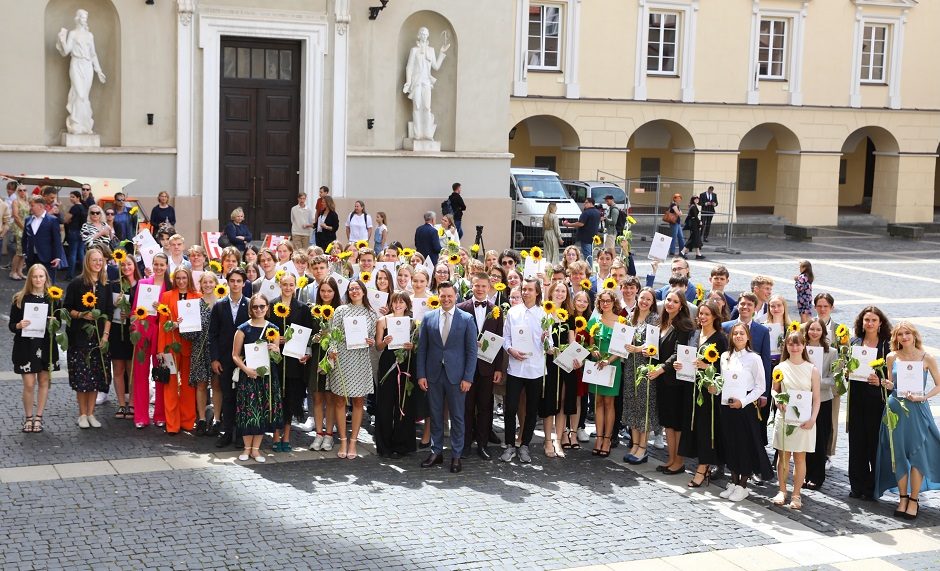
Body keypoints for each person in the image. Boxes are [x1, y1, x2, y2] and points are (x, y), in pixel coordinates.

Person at [874, 322, 940, 520]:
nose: (904, 337)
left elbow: (939, 385)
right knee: (899, 455)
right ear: (896, 338)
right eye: (900, 334)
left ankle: (914, 499)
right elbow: (891, 384)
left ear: (914, 335)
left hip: (918, 409)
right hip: (895, 409)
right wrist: (886, 384)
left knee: (917, 454)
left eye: (907, 333)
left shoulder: (926, 358)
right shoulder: (891, 357)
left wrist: (924, 397)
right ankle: (902, 498)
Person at [416, 281, 477, 473]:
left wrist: (468, 377)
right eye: (443, 296)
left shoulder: (466, 319)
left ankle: (456, 455)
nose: (446, 299)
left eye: (450, 296)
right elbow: (422, 349)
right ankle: (436, 452)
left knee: (457, 417)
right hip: (433, 375)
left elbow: (471, 351)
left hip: (457, 377)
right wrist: (421, 375)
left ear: (456, 296)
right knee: (435, 415)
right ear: (438, 296)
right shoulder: (428, 317)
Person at [718, 323, 773, 502]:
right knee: (730, 444)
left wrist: (744, 402)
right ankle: (733, 482)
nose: (738, 336)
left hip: (745, 408)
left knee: (744, 445)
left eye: (742, 333)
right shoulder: (725, 356)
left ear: (748, 337)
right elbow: (722, 381)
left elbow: (760, 387)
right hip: (727, 406)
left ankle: (743, 485)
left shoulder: (754, 358)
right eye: (735, 334)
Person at [676, 302, 727, 487]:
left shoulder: (720, 339)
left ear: (715, 316)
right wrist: (680, 365)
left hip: (708, 392)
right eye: (701, 314)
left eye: (707, 314)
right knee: (694, 427)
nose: (703, 317)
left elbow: (724, 368)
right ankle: (700, 463)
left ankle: (703, 467)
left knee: (706, 429)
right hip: (691, 387)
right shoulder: (694, 334)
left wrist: (707, 366)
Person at [500, 279, 551, 464]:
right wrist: (511, 350)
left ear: (537, 292)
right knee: (510, 408)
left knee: (531, 410)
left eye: (530, 290)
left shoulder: (544, 314)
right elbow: (505, 338)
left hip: (535, 369)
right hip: (515, 368)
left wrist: (546, 339)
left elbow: (550, 345)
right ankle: (509, 445)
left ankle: (525, 446)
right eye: (524, 289)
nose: (526, 292)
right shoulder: (513, 312)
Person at [457, 273, 505, 460]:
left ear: (489, 287)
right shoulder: (461, 308)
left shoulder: (496, 311)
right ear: (472, 285)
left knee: (485, 407)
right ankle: (466, 443)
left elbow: (499, 340)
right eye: (477, 285)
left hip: (487, 367)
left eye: (483, 286)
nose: (480, 289)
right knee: (466, 407)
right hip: (466, 367)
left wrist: (499, 368)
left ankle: (483, 444)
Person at [771, 332, 821, 511]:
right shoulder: (780, 367)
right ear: (786, 346)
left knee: (800, 457)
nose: (794, 347)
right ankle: (782, 490)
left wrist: (813, 418)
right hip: (785, 418)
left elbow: (816, 398)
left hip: (804, 421)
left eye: (798, 344)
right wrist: (778, 401)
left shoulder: (812, 369)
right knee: (783, 456)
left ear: (804, 346)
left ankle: (796, 494)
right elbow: (774, 390)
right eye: (791, 344)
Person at [326, 279, 376, 460]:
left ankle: (354, 440)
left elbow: (372, 339)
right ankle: (343, 440)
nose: (354, 291)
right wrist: (332, 349)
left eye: (357, 288)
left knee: (358, 402)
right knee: (339, 401)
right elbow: (333, 333)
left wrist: (371, 342)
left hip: (361, 360)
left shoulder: (371, 314)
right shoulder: (340, 310)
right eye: (351, 289)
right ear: (348, 292)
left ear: (363, 291)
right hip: (342, 359)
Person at [64, 248, 113, 429]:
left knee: (95, 378)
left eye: (100, 260)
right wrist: (82, 315)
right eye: (95, 260)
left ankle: (91, 413)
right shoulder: (77, 284)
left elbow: (108, 312)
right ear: (87, 262)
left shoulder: (105, 285)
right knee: (82, 378)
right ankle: (82, 414)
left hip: (99, 338)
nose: (98, 263)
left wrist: (106, 336)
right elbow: (67, 309)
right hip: (80, 338)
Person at [231, 293, 282, 463]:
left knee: (261, 411)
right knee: (247, 412)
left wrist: (275, 350)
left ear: (267, 308)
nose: (259, 309)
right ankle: (246, 448)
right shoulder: (242, 329)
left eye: (262, 306)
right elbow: (235, 355)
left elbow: (278, 358)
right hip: (249, 376)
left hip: (267, 377)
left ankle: (256, 449)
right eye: (255, 306)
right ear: (250, 309)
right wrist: (246, 370)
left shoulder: (273, 329)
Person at [848, 306, 892, 500]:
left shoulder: (887, 346)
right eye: (867, 320)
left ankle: (872, 486)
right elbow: (848, 369)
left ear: (880, 323)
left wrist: (880, 381)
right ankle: (857, 485)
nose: (870, 323)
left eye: (874, 320)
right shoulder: (854, 342)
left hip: (877, 401)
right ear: (862, 322)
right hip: (857, 399)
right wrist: (846, 373)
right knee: (856, 443)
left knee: (874, 443)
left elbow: (893, 380)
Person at [648, 289, 694, 475]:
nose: (670, 304)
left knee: (676, 423)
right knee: (667, 422)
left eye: (675, 301)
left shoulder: (684, 325)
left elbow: (678, 352)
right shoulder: (661, 322)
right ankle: (671, 458)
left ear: (681, 305)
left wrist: (661, 369)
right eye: (668, 300)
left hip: (675, 381)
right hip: (663, 381)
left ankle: (679, 461)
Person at [11, 264, 60, 433]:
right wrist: (19, 324)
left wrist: (54, 322)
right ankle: (28, 417)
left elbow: (59, 324)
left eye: (41, 276)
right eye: (35, 276)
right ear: (30, 278)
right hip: (26, 346)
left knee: (44, 381)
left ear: (46, 277)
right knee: (29, 384)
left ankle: (38, 418)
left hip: (46, 345)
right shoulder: (20, 298)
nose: (38, 280)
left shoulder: (53, 298)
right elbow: (12, 325)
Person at [269, 273, 311, 452]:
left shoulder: (302, 308)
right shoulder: (271, 305)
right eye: (284, 284)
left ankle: (286, 436)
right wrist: (274, 340)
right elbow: (266, 328)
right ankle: (275, 436)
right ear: (279, 285)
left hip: (294, 362)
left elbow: (307, 334)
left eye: (291, 284)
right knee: (276, 399)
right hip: (276, 361)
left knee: (290, 400)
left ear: (295, 286)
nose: (287, 288)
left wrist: (306, 353)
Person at [209, 268, 250, 447]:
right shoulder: (219, 305)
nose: (235, 284)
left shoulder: (250, 305)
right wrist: (215, 359)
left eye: (238, 281)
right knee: (227, 396)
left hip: (244, 359)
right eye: (232, 281)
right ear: (227, 282)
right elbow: (213, 334)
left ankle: (241, 434)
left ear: (243, 283)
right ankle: (227, 432)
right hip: (225, 359)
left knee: (243, 396)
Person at [156, 267, 200, 435]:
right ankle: (172, 424)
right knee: (171, 386)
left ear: (189, 279)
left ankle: (188, 421)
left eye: (184, 278)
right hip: (170, 345)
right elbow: (162, 325)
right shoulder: (167, 296)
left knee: (189, 385)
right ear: (175, 279)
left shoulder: (197, 297)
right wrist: (160, 349)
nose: (182, 281)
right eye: (179, 278)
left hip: (190, 346)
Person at [374, 292, 418, 458]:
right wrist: (384, 342)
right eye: (395, 302)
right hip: (388, 363)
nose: (398, 305)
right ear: (391, 304)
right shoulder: (382, 321)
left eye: (402, 302)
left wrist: (411, 346)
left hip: (406, 362)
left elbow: (417, 346)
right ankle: (384, 446)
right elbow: (378, 347)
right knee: (385, 404)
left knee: (404, 403)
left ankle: (402, 445)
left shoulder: (413, 322)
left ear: (407, 304)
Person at [621, 287, 660, 464]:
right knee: (632, 405)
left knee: (644, 407)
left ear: (652, 303)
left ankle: (643, 448)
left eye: (648, 299)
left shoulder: (655, 320)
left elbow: (654, 346)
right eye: (642, 298)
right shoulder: (631, 317)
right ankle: (635, 444)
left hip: (645, 368)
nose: (644, 302)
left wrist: (637, 349)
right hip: (630, 367)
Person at [130, 253, 169, 428]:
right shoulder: (143, 284)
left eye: (162, 265)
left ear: (167, 266)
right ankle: (140, 416)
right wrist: (135, 327)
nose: (159, 267)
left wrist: (161, 309)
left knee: (162, 374)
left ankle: (160, 414)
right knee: (140, 374)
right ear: (152, 265)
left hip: (162, 333)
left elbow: (172, 313)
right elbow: (134, 310)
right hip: (144, 331)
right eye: (156, 264)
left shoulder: (170, 286)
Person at [179, 272, 219, 435]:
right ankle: (201, 419)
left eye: (211, 282)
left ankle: (217, 419)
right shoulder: (194, 304)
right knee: (201, 384)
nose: (208, 285)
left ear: (216, 284)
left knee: (217, 385)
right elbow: (188, 335)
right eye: (205, 282)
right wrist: (184, 325)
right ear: (200, 285)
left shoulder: (222, 303)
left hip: (217, 350)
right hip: (199, 349)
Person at [586, 290, 624, 458]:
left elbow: (622, 348)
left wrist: (609, 360)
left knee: (609, 403)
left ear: (613, 302)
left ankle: (607, 439)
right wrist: (593, 350)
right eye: (602, 301)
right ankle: (599, 437)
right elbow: (591, 342)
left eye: (608, 301)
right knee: (598, 402)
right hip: (597, 365)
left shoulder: (621, 322)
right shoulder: (594, 320)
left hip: (612, 365)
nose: (605, 304)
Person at [307, 277, 341, 451]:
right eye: (323, 291)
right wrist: (316, 338)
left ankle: (329, 435)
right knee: (318, 397)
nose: (326, 294)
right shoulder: (313, 311)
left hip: (334, 359)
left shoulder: (340, 311)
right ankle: (318, 434)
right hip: (316, 360)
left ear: (335, 293)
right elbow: (307, 336)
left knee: (331, 397)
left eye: (329, 291)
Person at [803, 318, 837, 490]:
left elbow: (834, 379)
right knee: (805, 437)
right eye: (811, 329)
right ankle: (805, 473)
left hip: (823, 399)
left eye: (818, 330)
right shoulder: (801, 349)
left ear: (823, 332)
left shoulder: (831, 352)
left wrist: (816, 381)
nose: (814, 332)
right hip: (804, 399)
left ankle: (817, 476)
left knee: (820, 439)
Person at [109, 254, 141, 420]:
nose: (126, 268)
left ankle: (133, 403)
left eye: (129, 264)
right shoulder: (114, 286)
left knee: (132, 369)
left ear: (134, 265)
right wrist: (115, 304)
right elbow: (107, 308)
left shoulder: (141, 286)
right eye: (123, 265)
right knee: (118, 369)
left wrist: (130, 315)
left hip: (133, 332)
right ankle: (121, 404)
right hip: (116, 331)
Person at [22, 196, 63, 284]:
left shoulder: (52, 220)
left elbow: (57, 240)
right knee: (32, 282)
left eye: (32, 205)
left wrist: (58, 256)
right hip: (31, 257)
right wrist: (24, 252)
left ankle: (49, 298)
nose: (30, 208)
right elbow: (25, 237)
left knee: (48, 282)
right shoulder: (28, 219)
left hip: (47, 257)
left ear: (40, 206)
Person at [563, 197, 602, 264]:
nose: (584, 204)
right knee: (590, 254)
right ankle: (590, 267)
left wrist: (569, 224)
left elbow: (581, 223)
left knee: (587, 255)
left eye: (586, 202)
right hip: (594, 237)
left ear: (590, 203)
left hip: (585, 236)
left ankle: (589, 269)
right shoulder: (597, 212)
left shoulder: (586, 213)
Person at [63, 190, 86, 280]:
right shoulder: (83, 207)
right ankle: (85, 272)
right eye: (70, 196)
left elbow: (66, 219)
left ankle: (70, 275)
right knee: (81, 253)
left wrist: (68, 219)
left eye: (73, 196)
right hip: (82, 232)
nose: (70, 198)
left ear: (78, 198)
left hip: (73, 231)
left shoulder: (75, 207)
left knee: (72, 254)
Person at [10, 186, 30, 280]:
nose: (22, 192)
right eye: (20, 190)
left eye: (24, 190)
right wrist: (24, 228)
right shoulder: (16, 201)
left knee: (24, 252)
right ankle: (13, 271)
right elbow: (15, 216)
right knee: (19, 251)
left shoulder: (27, 202)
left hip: (27, 227)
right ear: (17, 192)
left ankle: (19, 271)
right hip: (19, 228)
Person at [680, 195, 704, 260]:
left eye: (697, 199)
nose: (697, 200)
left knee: (695, 238)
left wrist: (698, 222)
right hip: (694, 224)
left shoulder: (693, 206)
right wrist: (699, 222)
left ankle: (698, 254)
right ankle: (682, 252)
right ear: (693, 200)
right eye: (695, 199)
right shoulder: (693, 206)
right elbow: (695, 216)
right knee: (693, 238)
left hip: (694, 223)